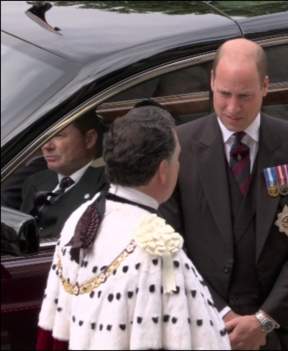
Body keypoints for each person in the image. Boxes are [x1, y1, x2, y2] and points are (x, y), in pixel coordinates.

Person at [161, 38, 288, 349]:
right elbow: (170, 248)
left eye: (245, 96)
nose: (233, 108)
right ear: (212, 81)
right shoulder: (179, 148)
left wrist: (264, 321)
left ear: (265, 87)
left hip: (280, 332)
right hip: (204, 326)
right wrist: (221, 314)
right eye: (224, 94)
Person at [35, 106, 231, 350]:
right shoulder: (159, 249)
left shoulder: (80, 218)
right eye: (177, 158)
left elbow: (52, 335)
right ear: (163, 170)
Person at [20, 112, 107, 238]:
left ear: (89, 139)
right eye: (43, 137)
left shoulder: (109, 184)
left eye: (58, 135)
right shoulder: (35, 182)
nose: (46, 146)